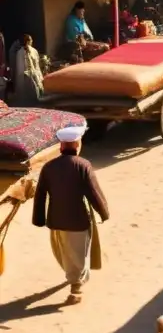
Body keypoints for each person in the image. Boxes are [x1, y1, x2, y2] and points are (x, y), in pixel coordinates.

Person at [31, 123, 109, 304]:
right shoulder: (83, 165)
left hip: (56, 220)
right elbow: (94, 193)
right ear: (76, 145)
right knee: (79, 253)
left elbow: (40, 195)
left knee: (66, 251)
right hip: (78, 220)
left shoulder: (48, 167)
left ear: (61, 146)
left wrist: (39, 219)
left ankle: (72, 276)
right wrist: (103, 212)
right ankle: (76, 287)